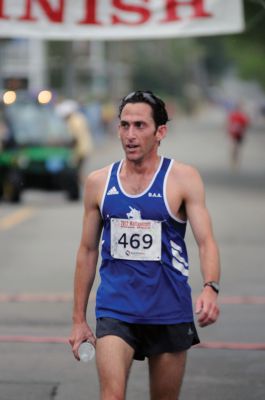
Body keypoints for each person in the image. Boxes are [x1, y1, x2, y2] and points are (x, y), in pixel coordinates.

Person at [69, 90, 220, 399]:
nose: (130, 135)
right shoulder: (99, 182)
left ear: (160, 131)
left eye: (140, 126)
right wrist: (78, 319)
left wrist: (210, 287)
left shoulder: (183, 178)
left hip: (168, 310)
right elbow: (87, 251)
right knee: (112, 395)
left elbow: (206, 242)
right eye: (124, 125)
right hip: (116, 309)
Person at [55, 99, 94, 182]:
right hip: (85, 147)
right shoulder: (80, 117)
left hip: (80, 149)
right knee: (79, 170)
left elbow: (74, 138)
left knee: (75, 171)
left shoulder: (72, 121)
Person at [227, 103, 249, 169]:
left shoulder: (241, 116)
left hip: (239, 134)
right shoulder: (236, 115)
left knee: (236, 148)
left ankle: (235, 161)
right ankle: (234, 161)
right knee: (235, 147)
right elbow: (229, 123)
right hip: (234, 134)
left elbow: (245, 125)